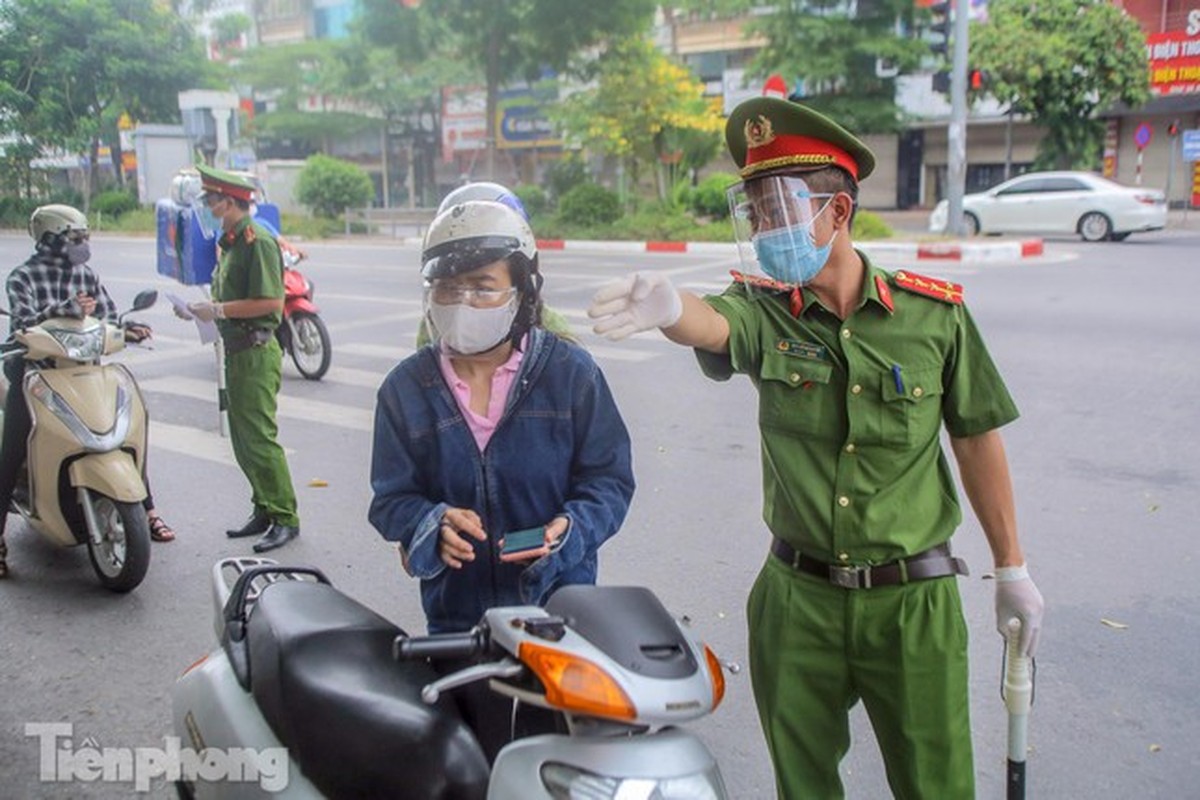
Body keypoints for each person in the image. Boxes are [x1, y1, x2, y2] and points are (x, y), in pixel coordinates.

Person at [588, 92, 1045, 799]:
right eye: (758, 212)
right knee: (803, 788)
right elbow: (716, 326)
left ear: (838, 212)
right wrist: (673, 310)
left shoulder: (933, 317)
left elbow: (976, 438)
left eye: (781, 208)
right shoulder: (766, 309)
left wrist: (1011, 566)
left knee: (937, 785)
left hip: (912, 604)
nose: (768, 226)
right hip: (796, 601)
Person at [369, 199, 634, 759]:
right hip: (457, 622)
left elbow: (608, 481)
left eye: (484, 285)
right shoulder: (402, 390)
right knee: (475, 757)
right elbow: (390, 498)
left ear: (523, 292)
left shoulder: (571, 374)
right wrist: (428, 522)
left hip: (558, 615)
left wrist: (571, 528)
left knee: (553, 757)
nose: (464, 300)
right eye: (448, 286)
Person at [0, 205, 174, 579]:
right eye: (75, 238)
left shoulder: (87, 275)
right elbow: (23, 324)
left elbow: (109, 316)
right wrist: (66, 308)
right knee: (11, 452)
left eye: (85, 238)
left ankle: (147, 510)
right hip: (37, 375)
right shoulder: (23, 278)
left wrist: (128, 329)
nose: (83, 246)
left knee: (124, 435)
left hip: (86, 373)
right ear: (50, 239)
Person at [182, 165, 299, 554]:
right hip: (236, 351)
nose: (208, 207)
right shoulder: (231, 242)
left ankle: (285, 516)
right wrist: (203, 310)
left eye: (211, 201)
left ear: (229, 202)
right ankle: (263, 507)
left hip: (255, 351)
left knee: (260, 440)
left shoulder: (256, 241)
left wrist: (216, 310)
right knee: (242, 440)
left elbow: (270, 302)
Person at [414, 181, 577, 346]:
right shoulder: (432, 326)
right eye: (449, 287)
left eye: (483, 289)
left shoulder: (553, 337)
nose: (464, 300)